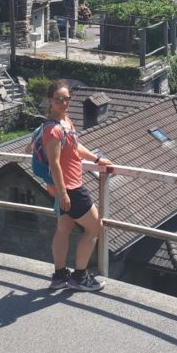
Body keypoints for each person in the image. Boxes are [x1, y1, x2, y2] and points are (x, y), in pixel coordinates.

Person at [37, 79, 110, 291]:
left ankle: (60, 275)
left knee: (64, 228)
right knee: (95, 227)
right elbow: (55, 163)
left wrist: (96, 160)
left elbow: (75, 147)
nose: (64, 103)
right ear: (50, 100)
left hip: (66, 188)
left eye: (67, 99)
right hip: (71, 188)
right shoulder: (53, 129)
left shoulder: (65, 122)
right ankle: (80, 277)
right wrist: (64, 193)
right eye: (59, 99)